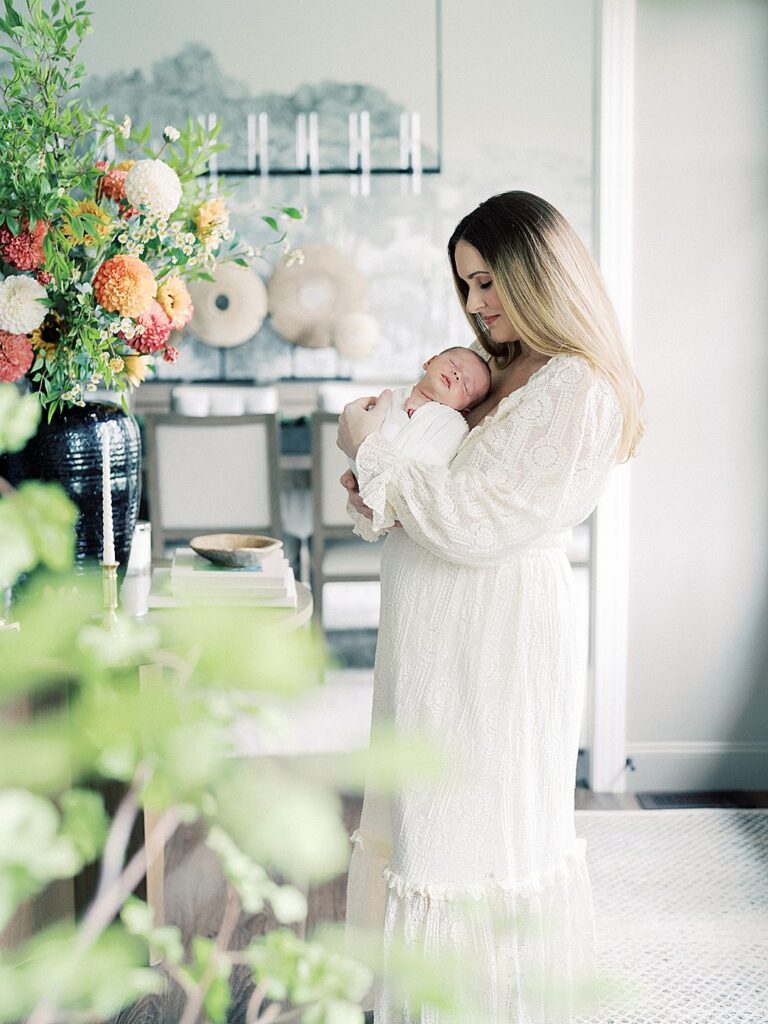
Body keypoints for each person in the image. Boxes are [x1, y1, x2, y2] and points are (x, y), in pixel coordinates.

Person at [336, 190, 644, 1023]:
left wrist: (376, 458)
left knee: (478, 826)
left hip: (498, 631)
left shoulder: (577, 387)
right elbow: (433, 489)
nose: (475, 305)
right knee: (427, 820)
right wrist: (380, 481)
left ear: (540, 274)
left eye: (489, 283)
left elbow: (482, 521)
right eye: (466, 286)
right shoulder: (496, 372)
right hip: (434, 634)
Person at [347, 346, 491, 539]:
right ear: (429, 361)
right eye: (453, 364)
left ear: (464, 410)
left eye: (466, 386)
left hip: (407, 503)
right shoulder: (392, 396)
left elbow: (428, 471)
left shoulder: (450, 424)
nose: (457, 375)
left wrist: (365, 447)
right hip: (365, 482)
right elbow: (357, 436)